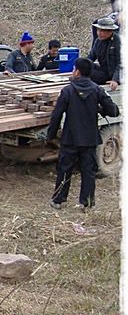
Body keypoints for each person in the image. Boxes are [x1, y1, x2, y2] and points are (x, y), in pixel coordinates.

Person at [46, 58, 120, 210]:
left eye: (74, 69)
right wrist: (99, 109)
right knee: (88, 171)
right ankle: (86, 203)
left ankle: (59, 200)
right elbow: (113, 111)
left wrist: (50, 135)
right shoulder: (97, 90)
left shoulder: (67, 91)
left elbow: (56, 116)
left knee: (64, 169)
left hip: (70, 138)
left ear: (77, 72)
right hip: (90, 138)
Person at [88, 17, 121, 91]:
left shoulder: (118, 41)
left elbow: (121, 63)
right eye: (98, 30)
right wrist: (80, 67)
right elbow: (91, 57)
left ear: (110, 31)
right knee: (84, 65)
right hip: (103, 72)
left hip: (115, 73)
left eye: (102, 31)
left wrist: (115, 79)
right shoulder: (98, 41)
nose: (99, 33)